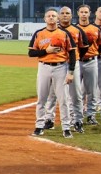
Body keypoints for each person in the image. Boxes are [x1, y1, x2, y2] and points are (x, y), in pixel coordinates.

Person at [28, 8, 76, 138]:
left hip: (61, 67)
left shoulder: (64, 33)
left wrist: (71, 71)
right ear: (44, 19)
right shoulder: (39, 34)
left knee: (63, 99)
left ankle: (66, 127)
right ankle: (39, 126)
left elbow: (72, 53)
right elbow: (31, 53)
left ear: (57, 18)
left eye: (54, 16)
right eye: (48, 16)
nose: (51, 18)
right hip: (43, 67)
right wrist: (46, 51)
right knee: (41, 98)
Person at [44, 6, 89, 133]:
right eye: (62, 13)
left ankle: (77, 121)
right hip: (56, 64)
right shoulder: (51, 30)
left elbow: (84, 47)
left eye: (67, 13)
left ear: (71, 15)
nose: (65, 15)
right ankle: (49, 120)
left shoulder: (77, 30)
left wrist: (76, 58)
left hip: (71, 65)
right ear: (58, 16)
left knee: (75, 94)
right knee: (52, 94)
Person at [77, 5, 101, 125]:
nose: (83, 14)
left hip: (91, 61)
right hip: (77, 61)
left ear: (89, 13)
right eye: (81, 12)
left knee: (91, 90)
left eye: (86, 12)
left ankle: (91, 115)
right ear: (78, 13)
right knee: (76, 91)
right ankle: (77, 116)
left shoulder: (96, 29)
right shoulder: (73, 29)